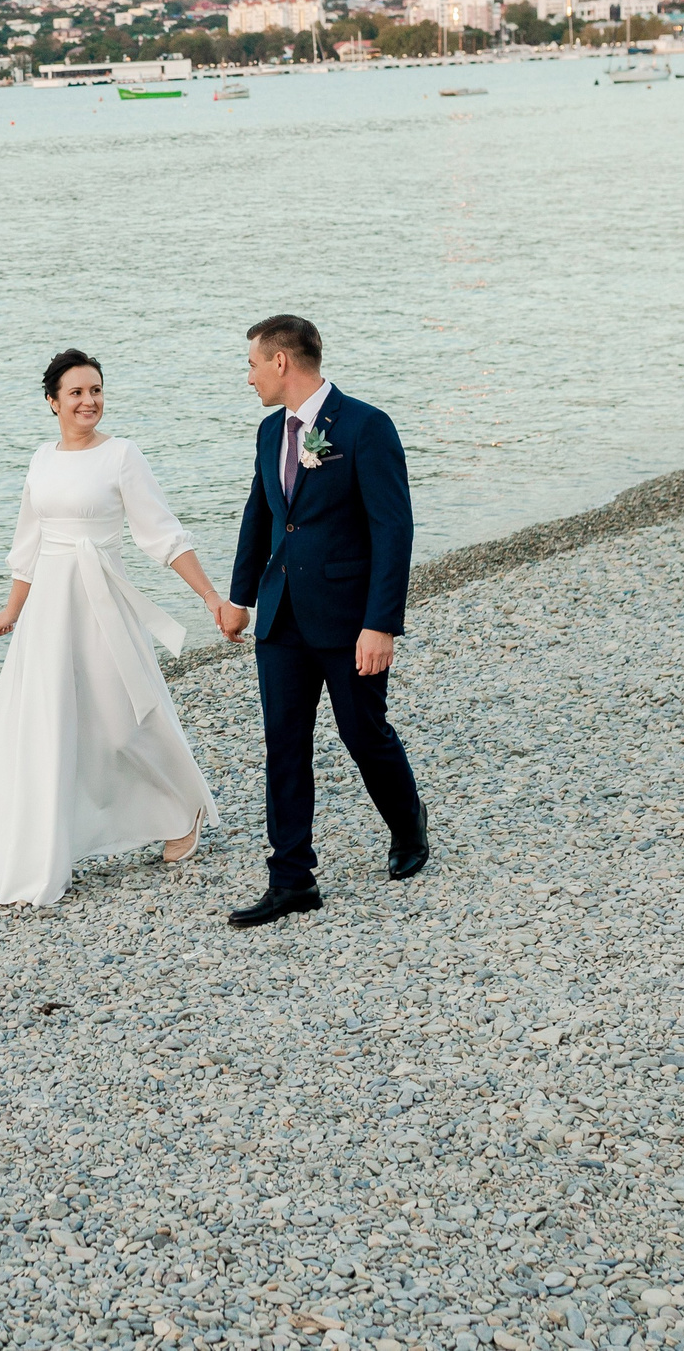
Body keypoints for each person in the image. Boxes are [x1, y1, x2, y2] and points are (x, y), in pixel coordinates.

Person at [0, 349, 228, 907]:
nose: (88, 401)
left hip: (101, 603)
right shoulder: (41, 459)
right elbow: (29, 543)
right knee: (46, 727)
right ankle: (42, 848)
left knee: (123, 722)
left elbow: (162, 534)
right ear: (53, 402)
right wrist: (11, 610)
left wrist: (211, 596)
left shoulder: (122, 456)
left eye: (95, 390)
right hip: (49, 609)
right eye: (76, 392)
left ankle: (182, 806)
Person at [221, 314, 428, 929]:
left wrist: (380, 624)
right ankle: (291, 880)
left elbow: (393, 529)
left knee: (363, 734)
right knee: (284, 746)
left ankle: (408, 826)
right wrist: (239, 598)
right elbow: (261, 515)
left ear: (281, 361)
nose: (249, 377)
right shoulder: (270, 431)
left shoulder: (365, 426)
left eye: (252, 364)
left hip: (348, 620)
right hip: (281, 617)